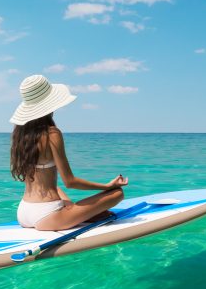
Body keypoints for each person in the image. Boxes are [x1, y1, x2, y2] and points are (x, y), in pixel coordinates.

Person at [9, 75, 128, 231]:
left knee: (56, 188)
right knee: (117, 194)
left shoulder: (20, 135)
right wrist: (107, 186)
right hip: (47, 215)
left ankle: (82, 214)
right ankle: (84, 214)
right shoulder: (52, 133)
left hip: (24, 212)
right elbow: (70, 181)